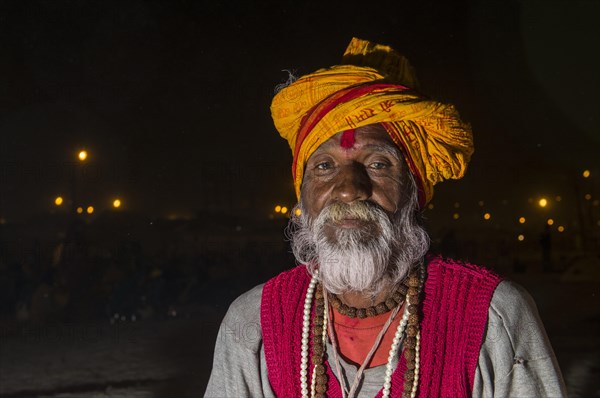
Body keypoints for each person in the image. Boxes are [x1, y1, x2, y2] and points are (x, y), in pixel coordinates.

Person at [205, 38, 566, 398]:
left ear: (414, 188)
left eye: (378, 164)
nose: (349, 189)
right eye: (325, 166)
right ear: (303, 193)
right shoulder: (253, 324)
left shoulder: (493, 317)